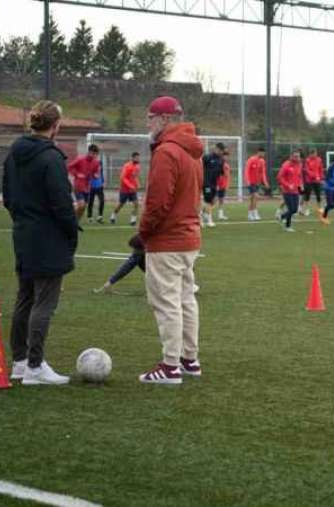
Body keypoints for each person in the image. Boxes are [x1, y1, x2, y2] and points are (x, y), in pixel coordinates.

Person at [2, 100, 77, 385]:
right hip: (48, 237)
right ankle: (34, 366)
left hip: (23, 234)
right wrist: (71, 232)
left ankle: (20, 362)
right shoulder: (51, 158)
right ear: (56, 126)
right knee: (44, 302)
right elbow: (62, 205)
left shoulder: (13, 154)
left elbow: (8, 197)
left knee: (25, 298)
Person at [138, 96, 204, 384]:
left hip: (167, 239)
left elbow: (157, 202)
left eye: (151, 117)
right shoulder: (192, 151)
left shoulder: (166, 152)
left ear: (164, 119)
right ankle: (189, 360)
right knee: (186, 300)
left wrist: (143, 232)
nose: (147, 123)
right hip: (189, 236)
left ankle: (170, 366)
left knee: (167, 303)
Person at [68, 143, 100, 223]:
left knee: (83, 207)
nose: (94, 155)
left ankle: (75, 222)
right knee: (81, 205)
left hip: (87, 187)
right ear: (89, 152)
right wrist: (76, 174)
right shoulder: (80, 159)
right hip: (78, 185)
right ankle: (70, 221)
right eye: (93, 153)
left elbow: (96, 173)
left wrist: (96, 175)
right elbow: (70, 167)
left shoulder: (96, 162)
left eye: (96, 154)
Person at [110, 152, 141, 225]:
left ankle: (133, 220)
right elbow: (123, 178)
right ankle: (113, 215)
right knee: (120, 205)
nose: (138, 159)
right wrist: (130, 186)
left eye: (138, 158)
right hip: (125, 189)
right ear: (133, 158)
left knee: (136, 204)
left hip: (132, 190)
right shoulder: (127, 166)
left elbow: (135, 176)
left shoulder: (138, 166)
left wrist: (138, 183)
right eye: (136, 158)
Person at [277, 149, 303, 232]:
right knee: (291, 209)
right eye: (295, 156)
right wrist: (287, 185)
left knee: (294, 210)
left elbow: (299, 176)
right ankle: (288, 226)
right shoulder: (286, 165)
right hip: (287, 191)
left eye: (298, 156)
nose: (297, 158)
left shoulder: (299, 165)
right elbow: (279, 177)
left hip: (295, 191)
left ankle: (281, 217)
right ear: (291, 156)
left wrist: (300, 184)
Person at [201, 142, 225, 228]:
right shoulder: (207, 157)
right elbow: (200, 168)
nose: (220, 152)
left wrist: (221, 183)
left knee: (213, 200)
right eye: (219, 150)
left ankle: (202, 214)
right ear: (216, 148)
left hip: (214, 183)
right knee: (207, 200)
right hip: (206, 182)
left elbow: (221, 173)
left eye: (222, 150)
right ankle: (209, 220)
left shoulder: (221, 160)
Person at [245, 147, 269, 221]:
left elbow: (263, 173)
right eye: (262, 153)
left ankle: (250, 214)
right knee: (255, 197)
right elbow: (246, 171)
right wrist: (247, 181)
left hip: (257, 183)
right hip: (251, 183)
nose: (263, 154)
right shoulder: (251, 160)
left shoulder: (262, 161)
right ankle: (255, 213)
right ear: (258, 152)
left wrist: (265, 182)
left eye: (264, 153)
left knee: (253, 199)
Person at [301, 148, 324, 216]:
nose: (315, 155)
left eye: (315, 153)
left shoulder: (319, 160)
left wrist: (321, 177)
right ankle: (306, 210)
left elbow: (321, 169)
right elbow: (306, 170)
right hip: (309, 181)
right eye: (313, 154)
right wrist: (314, 176)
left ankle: (320, 208)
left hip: (317, 181)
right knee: (307, 196)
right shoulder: (307, 160)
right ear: (310, 154)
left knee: (318, 195)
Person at [87, 157, 105, 223]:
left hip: (99, 186)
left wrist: (103, 182)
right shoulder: (90, 167)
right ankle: (89, 217)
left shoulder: (100, 165)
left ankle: (100, 217)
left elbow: (101, 174)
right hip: (91, 186)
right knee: (91, 202)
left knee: (102, 201)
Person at [215, 149, 231, 221]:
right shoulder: (219, 164)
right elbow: (216, 175)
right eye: (225, 156)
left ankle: (220, 215)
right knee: (213, 200)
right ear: (222, 156)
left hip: (223, 185)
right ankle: (204, 213)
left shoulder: (227, 165)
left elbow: (227, 176)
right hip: (218, 185)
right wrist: (217, 184)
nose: (226, 157)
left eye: (227, 156)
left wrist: (227, 185)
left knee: (221, 200)